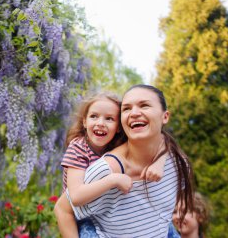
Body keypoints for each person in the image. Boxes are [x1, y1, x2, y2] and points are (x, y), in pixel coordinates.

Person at [54, 84, 195, 237]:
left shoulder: (174, 159)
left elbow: (163, 139)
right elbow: (69, 203)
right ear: (84, 121)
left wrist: (159, 161)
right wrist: (112, 179)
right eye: (127, 108)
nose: (101, 123)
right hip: (85, 217)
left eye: (144, 105)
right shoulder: (87, 155)